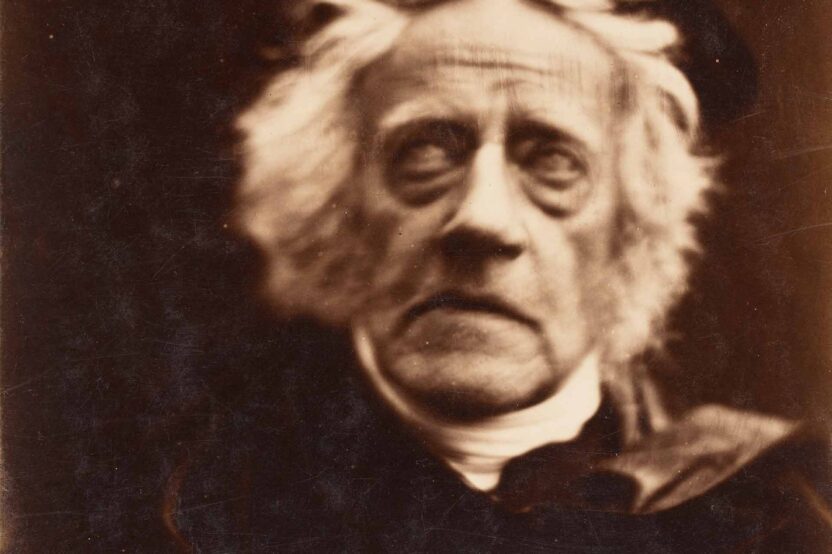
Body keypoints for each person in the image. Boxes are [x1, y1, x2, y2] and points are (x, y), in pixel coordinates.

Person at [166, 0, 832, 551]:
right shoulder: (200, 490)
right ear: (338, 204)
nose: (482, 219)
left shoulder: (776, 512)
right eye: (426, 152)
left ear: (631, 227)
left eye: (553, 161)